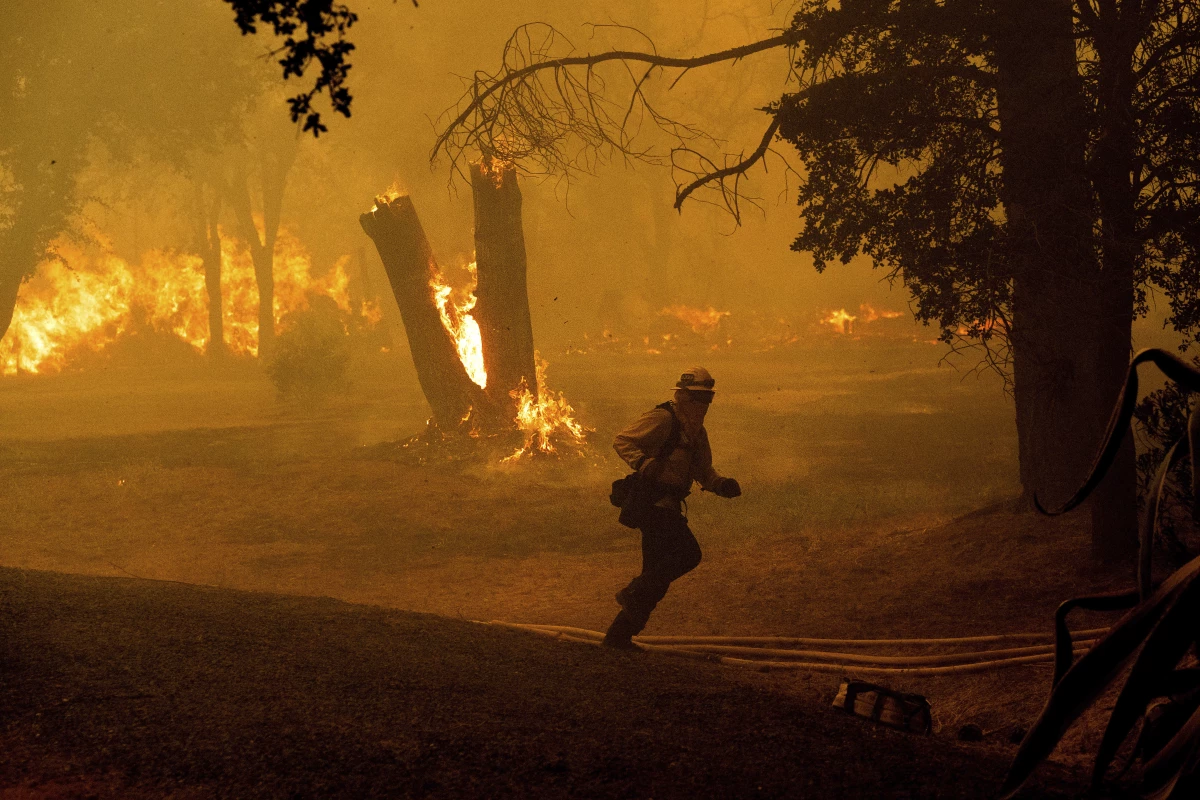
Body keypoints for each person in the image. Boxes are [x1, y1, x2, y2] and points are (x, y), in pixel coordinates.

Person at [603, 366, 741, 649]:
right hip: (652, 504)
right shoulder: (664, 418)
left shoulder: (696, 432)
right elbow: (623, 440)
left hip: (668, 505)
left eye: (708, 399)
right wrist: (644, 464)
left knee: (656, 575)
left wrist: (721, 484)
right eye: (698, 398)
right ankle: (633, 593)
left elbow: (703, 470)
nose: (703, 404)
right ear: (683, 395)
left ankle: (618, 636)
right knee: (687, 555)